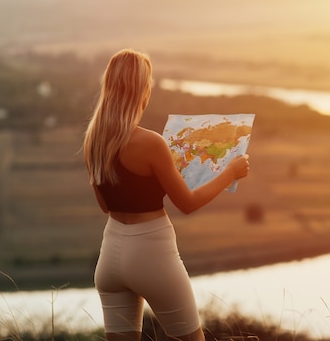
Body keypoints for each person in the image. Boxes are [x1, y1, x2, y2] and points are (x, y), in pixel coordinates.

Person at [83, 49, 250, 341]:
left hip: (110, 256)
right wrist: (229, 173)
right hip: (152, 253)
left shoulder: (94, 138)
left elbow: (105, 205)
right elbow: (187, 203)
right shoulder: (151, 143)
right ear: (142, 91)